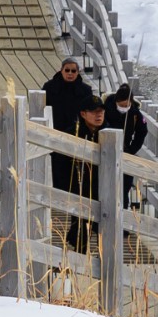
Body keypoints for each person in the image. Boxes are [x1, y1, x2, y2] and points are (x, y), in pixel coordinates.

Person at [62, 95, 108, 250]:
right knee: (80, 223)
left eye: (101, 111)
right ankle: (78, 258)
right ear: (83, 114)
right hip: (79, 186)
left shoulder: (110, 133)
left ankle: (104, 265)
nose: (99, 115)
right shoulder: (73, 133)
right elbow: (61, 162)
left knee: (104, 227)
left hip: (104, 188)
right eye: (94, 112)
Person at [107, 84, 149, 205]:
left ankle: (123, 210)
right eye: (121, 105)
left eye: (126, 105)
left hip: (125, 151)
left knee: (124, 187)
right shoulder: (106, 108)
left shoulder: (135, 114)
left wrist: (132, 149)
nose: (124, 108)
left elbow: (142, 131)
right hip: (107, 148)